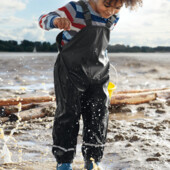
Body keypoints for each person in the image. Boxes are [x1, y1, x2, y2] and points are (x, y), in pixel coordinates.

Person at [39, 0, 142, 169]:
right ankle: (64, 162)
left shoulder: (113, 18)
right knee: (68, 113)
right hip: (70, 72)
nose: (111, 11)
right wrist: (56, 21)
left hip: (98, 73)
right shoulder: (75, 9)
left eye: (117, 7)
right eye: (107, 5)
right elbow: (43, 19)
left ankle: (93, 161)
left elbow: (100, 44)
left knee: (98, 114)